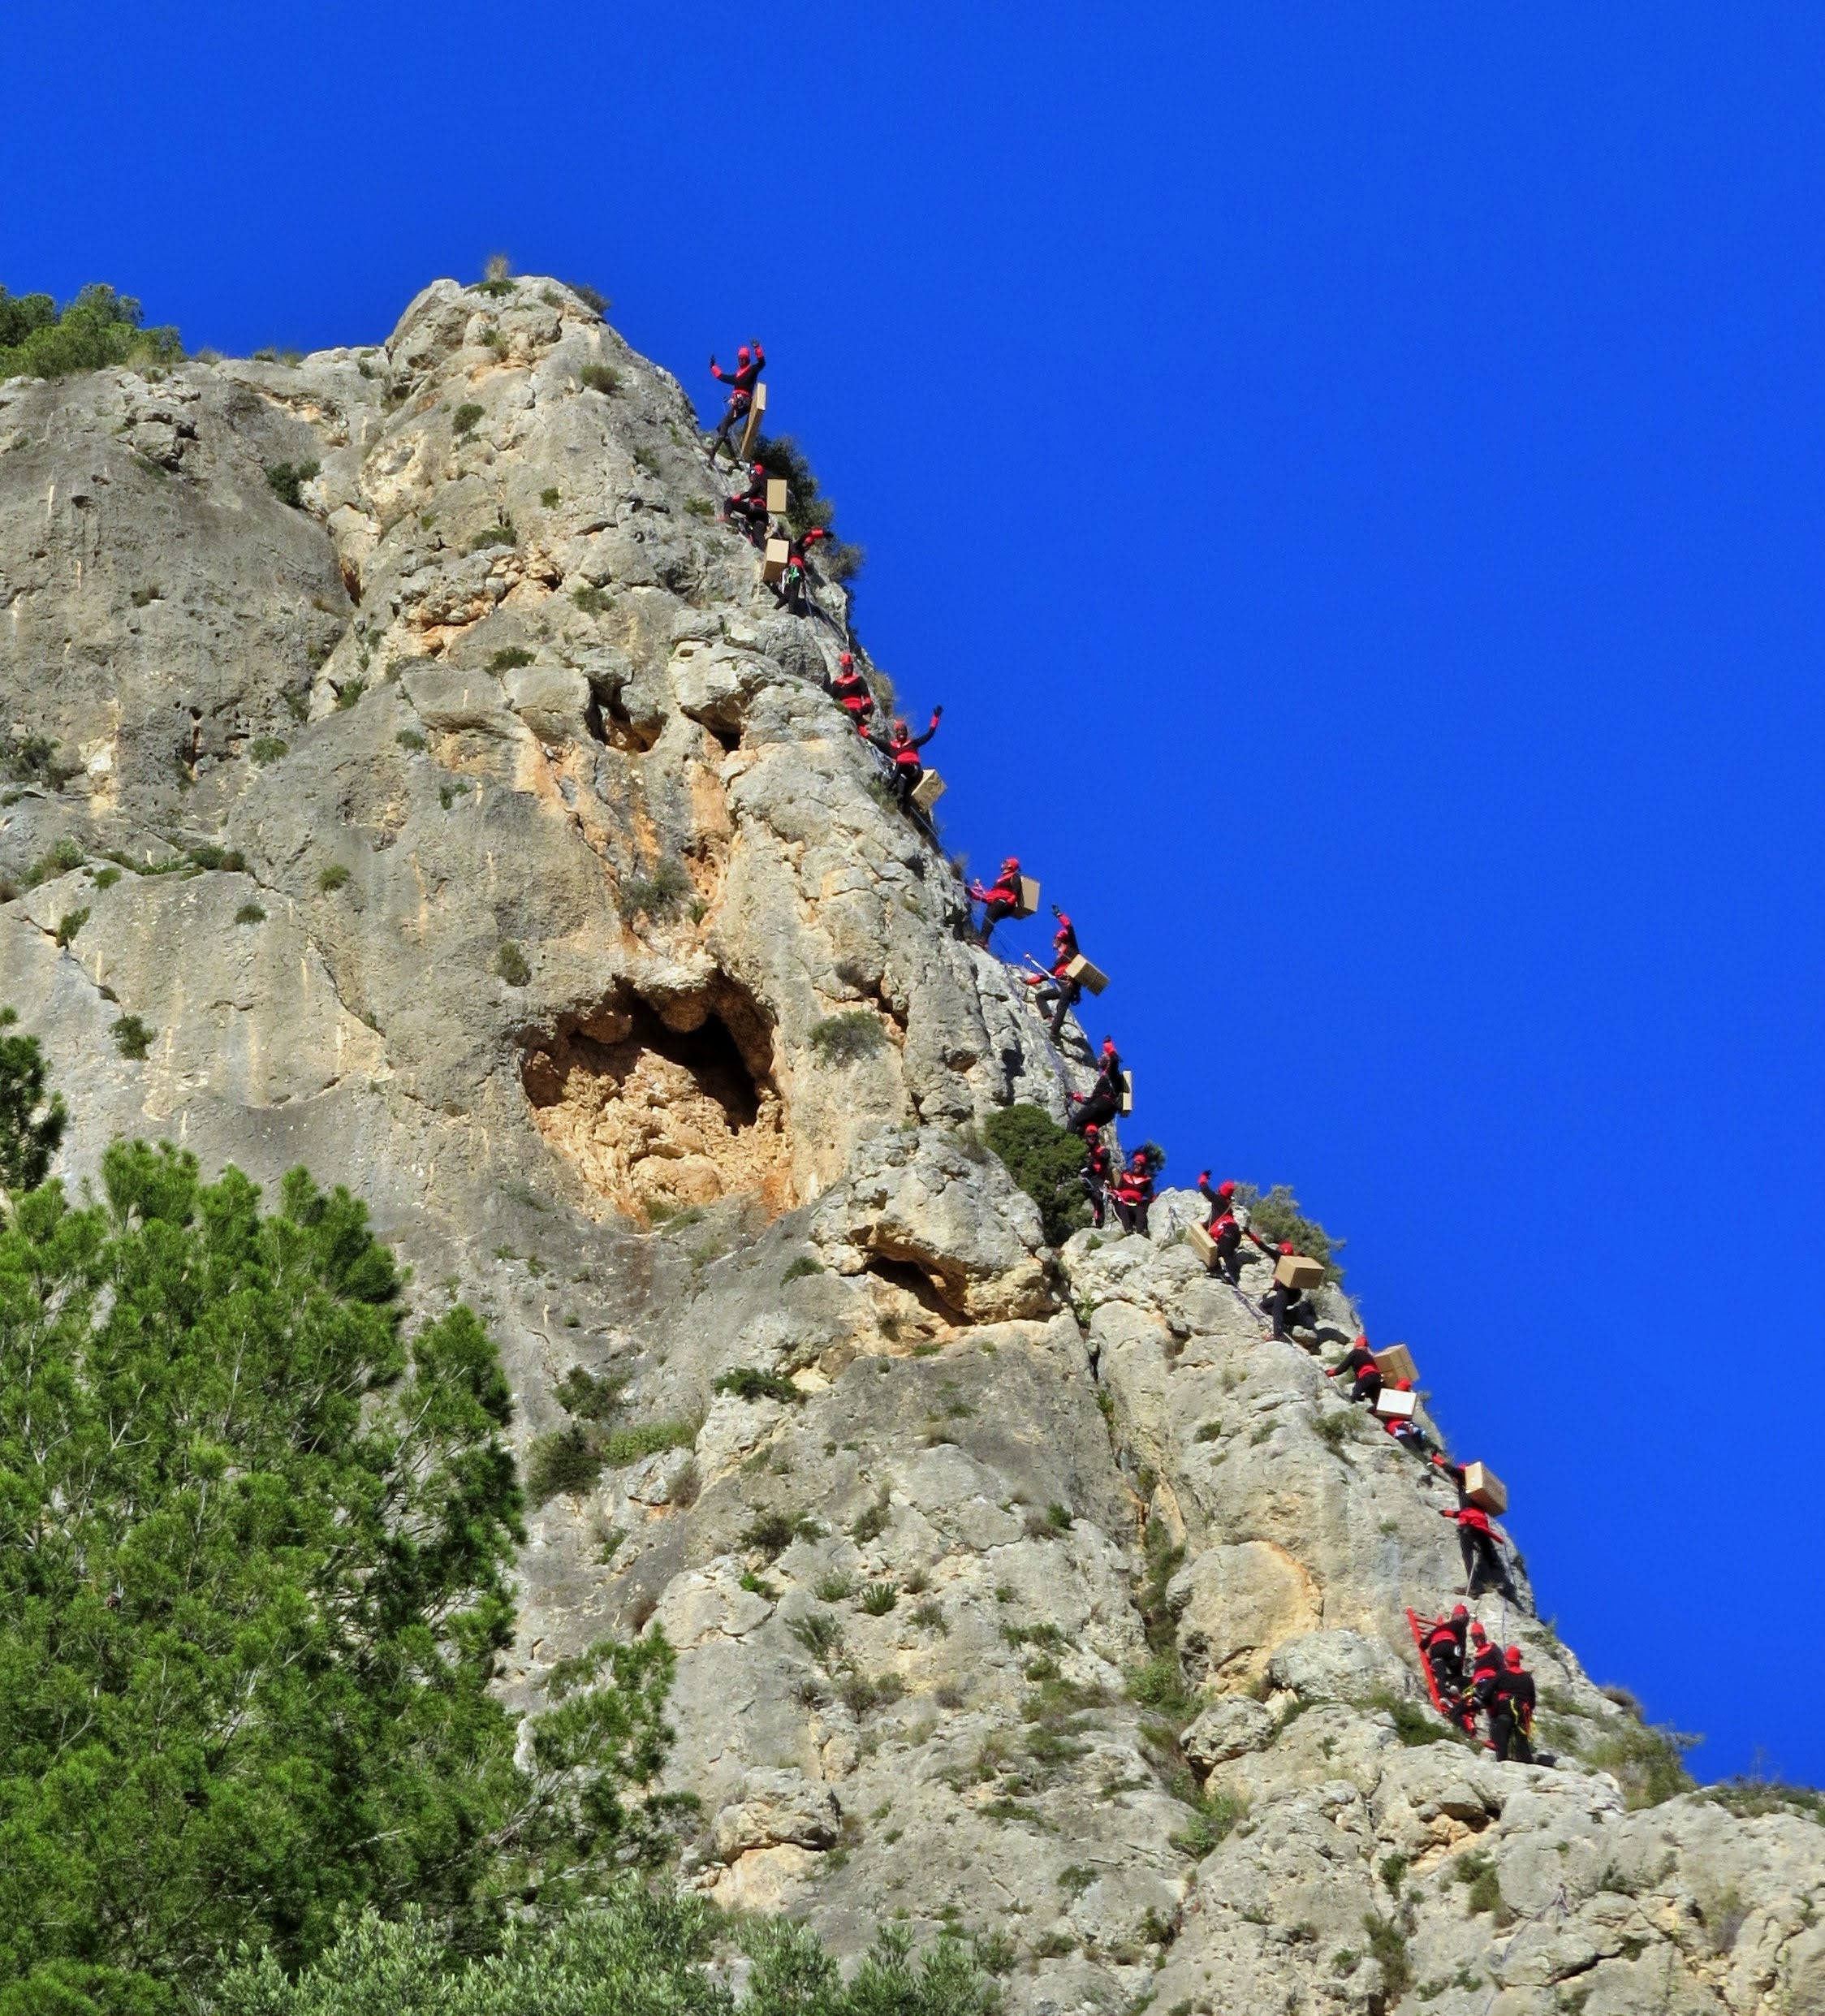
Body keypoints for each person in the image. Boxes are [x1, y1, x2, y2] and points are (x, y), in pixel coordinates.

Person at [1196, 1174, 1276, 1284]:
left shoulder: (1219, 1200)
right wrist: (1204, 1226)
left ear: (1221, 1190)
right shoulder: (1226, 1206)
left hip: (1227, 1233)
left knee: (1225, 1253)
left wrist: (1203, 1177)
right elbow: (1215, 1220)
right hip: (1233, 1233)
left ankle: (1234, 1278)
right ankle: (1217, 1271)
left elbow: (1205, 1190)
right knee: (1215, 1253)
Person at [1439, 1498, 1517, 1602]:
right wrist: (1447, 1513)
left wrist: (1445, 1513)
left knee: (1467, 1555)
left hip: (1468, 1526)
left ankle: (1473, 1587)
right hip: (1482, 1526)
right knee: (1488, 1554)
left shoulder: (1466, 1496)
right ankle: (1500, 1581)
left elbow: (1462, 1513)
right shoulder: (1479, 1502)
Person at [1025, 909, 1084, 1042]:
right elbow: (1047, 974)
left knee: (1061, 1006)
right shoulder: (1059, 960)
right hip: (1061, 984)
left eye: (1055, 939)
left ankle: (1054, 1032)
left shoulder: (1072, 950)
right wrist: (1028, 982)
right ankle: (1049, 1019)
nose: (1053, 941)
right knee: (1040, 996)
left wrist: (1059, 915)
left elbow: (1070, 928)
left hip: (1069, 983)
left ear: (1060, 939)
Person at [869, 708, 943, 810]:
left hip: (914, 771)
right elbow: (876, 741)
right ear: (896, 733)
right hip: (903, 775)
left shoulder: (913, 743)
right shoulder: (891, 747)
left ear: (906, 732)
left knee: (901, 764)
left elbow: (929, 735)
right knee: (901, 790)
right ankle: (899, 805)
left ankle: (887, 788)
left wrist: (935, 717)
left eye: (903, 730)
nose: (901, 733)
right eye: (899, 731)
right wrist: (863, 732)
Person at [708, 339, 765, 460]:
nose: (742, 360)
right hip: (738, 403)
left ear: (747, 359)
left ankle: (713, 451)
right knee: (721, 428)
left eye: (744, 358)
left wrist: (757, 348)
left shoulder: (752, 370)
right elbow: (723, 377)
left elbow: (762, 363)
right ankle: (734, 458)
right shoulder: (737, 376)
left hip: (743, 402)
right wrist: (713, 367)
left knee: (724, 424)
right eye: (740, 358)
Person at [1487, 1646, 1537, 1763]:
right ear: (1519, 1660)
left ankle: (1502, 1761)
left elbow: (1489, 1691)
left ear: (1507, 1660)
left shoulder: (1502, 1674)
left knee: (1502, 1742)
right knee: (1522, 1745)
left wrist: (1490, 1706)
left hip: (1505, 1708)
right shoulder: (1527, 1678)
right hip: (1522, 1712)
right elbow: (1532, 1701)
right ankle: (1527, 1763)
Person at [1067, 1038, 1124, 1134]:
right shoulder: (1107, 1078)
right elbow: (1090, 1101)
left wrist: (1108, 1045)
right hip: (1108, 1113)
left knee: (1074, 1121)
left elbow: (1115, 1060)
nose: (1098, 1059)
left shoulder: (1112, 1073)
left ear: (1108, 1060)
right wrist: (1075, 1096)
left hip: (1103, 1104)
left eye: (1102, 1056)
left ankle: (1066, 1144)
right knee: (1082, 1131)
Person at [773, 525, 832, 614]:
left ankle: (775, 609)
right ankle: (791, 611)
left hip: (790, 570)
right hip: (794, 569)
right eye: (807, 544)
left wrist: (803, 579)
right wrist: (822, 533)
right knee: (794, 590)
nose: (808, 547)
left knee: (788, 594)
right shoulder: (797, 545)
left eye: (809, 545)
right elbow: (806, 534)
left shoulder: (800, 552)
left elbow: (800, 567)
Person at [968, 857, 1025, 945]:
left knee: (989, 916)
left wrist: (1009, 902)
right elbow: (990, 896)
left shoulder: (1014, 876)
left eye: (1005, 862)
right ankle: (983, 940)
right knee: (988, 918)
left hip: (1004, 902)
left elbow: (1016, 892)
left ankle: (983, 940)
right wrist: (973, 895)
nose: (1002, 863)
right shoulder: (1001, 879)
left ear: (1010, 865)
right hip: (997, 902)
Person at [1421, 1604, 1469, 1699]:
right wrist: (1459, 1660)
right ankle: (1455, 1685)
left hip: (1435, 1650)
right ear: (1463, 1617)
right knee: (1456, 1668)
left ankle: (1443, 1695)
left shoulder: (1440, 1627)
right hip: (1449, 1647)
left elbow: (1423, 1645)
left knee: (1441, 1672)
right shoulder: (1460, 1626)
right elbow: (1462, 1645)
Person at [1111, 1146, 1157, 1237]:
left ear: (1142, 1167)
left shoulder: (1146, 1180)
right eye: (1135, 1164)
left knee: (1140, 1211)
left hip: (1136, 1203)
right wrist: (1114, 1195)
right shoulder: (1126, 1176)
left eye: (1139, 1165)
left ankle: (1141, 1231)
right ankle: (1128, 1229)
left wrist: (1148, 1200)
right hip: (1123, 1201)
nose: (1136, 1166)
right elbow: (1119, 1190)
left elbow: (1149, 1194)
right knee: (1122, 1208)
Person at [721, 460, 770, 543]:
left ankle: (726, 517)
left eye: (752, 472)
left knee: (730, 501)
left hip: (755, 508)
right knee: (758, 535)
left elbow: (751, 492)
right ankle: (764, 550)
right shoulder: (765, 487)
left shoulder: (758, 482)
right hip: (762, 515)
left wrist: (739, 497)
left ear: (756, 473)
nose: (750, 475)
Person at [828, 652, 875, 736]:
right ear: (843, 667)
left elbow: (866, 695)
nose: (849, 668)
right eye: (847, 666)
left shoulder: (858, 680)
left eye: (851, 665)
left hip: (857, 709)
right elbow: (831, 698)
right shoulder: (837, 683)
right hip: (844, 708)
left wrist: (865, 707)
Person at [1325, 1336, 1382, 1404]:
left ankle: (1356, 1404)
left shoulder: (1355, 1353)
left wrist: (1329, 1373)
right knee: (1376, 1401)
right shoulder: (1370, 1356)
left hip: (1367, 1376)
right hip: (1377, 1377)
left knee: (1355, 1393)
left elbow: (1342, 1368)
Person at [1080, 1123, 1111, 1229]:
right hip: (1085, 1177)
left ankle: (1100, 1221)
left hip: (1098, 1177)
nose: (1092, 1138)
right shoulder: (1083, 1151)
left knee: (1097, 1195)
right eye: (1089, 1136)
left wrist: (1095, 1157)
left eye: (1094, 1136)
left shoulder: (1101, 1150)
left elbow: (1105, 1156)